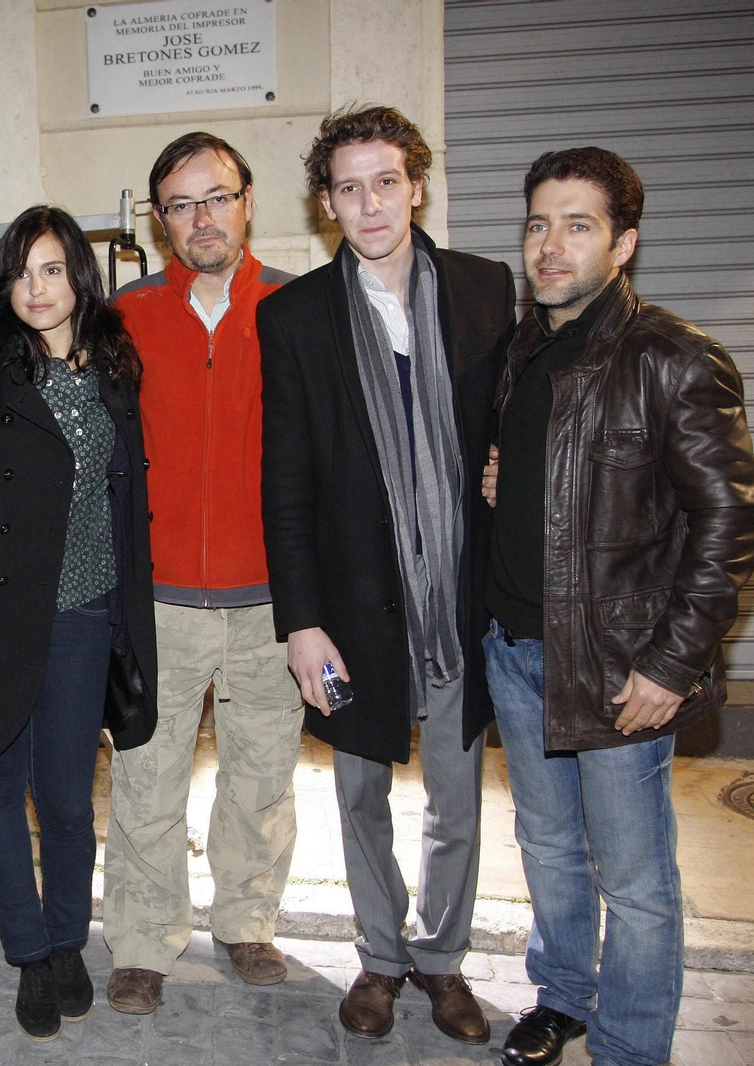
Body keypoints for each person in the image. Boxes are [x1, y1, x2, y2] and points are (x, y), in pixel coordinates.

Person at [0, 132, 305, 1013]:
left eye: (215, 197)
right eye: (179, 203)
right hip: (158, 597)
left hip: (266, 598)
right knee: (144, 783)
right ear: (158, 219)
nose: (200, 217)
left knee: (260, 778)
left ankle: (248, 924)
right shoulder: (127, 317)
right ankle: (138, 944)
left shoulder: (297, 308)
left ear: (249, 199)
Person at [484, 148, 754, 1066]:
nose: (550, 245)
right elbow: (553, 482)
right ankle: (563, 997)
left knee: (637, 882)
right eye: (538, 223)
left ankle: (633, 1047)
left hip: (620, 670)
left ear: (625, 243)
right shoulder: (523, 350)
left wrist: (672, 664)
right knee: (549, 849)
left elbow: (731, 521)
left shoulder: (674, 359)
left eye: (579, 224)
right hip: (518, 649)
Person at [257, 105, 515, 1044]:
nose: (370, 204)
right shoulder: (292, 318)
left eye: (387, 182)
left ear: (417, 184)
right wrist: (301, 622)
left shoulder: (487, 290)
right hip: (353, 604)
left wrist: (505, 471)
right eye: (349, 188)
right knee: (360, 790)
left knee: (456, 791)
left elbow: (513, 420)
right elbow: (282, 483)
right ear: (327, 203)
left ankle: (443, 962)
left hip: (458, 595)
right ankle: (380, 955)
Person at [0, 205, 158, 1042]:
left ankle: (66, 941)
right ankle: (27, 954)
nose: (36, 289)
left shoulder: (117, 368)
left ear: (79, 276)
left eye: (51, 270)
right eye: (19, 272)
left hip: (86, 615)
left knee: (70, 800)